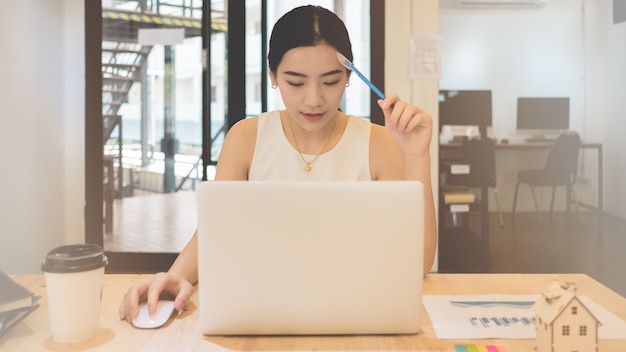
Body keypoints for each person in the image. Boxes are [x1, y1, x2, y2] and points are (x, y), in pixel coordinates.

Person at [119, 5, 437, 323]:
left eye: (330, 82)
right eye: (296, 83)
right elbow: (217, 230)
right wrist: (175, 276)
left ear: (349, 75)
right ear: (273, 76)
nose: (313, 99)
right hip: (260, 311)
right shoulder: (245, 138)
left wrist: (416, 156)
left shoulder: (380, 143)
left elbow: (417, 264)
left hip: (355, 313)